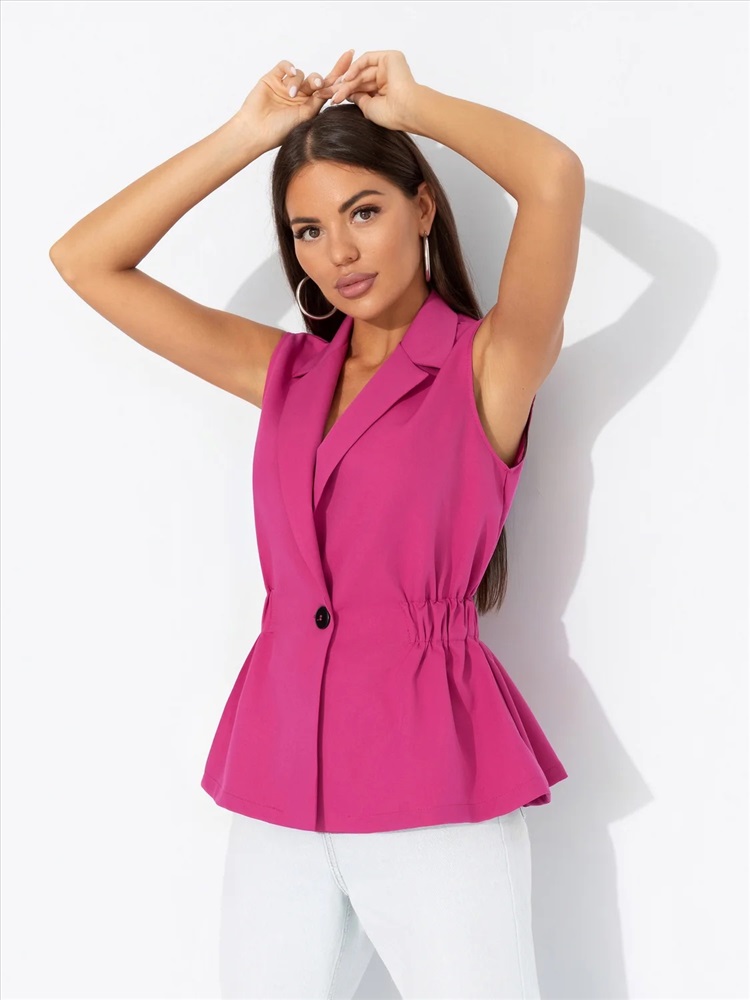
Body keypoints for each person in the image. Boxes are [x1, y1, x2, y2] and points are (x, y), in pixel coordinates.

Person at [50, 48, 584, 1000]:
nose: (337, 252)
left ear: (423, 207)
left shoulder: (487, 367)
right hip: (279, 783)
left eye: (363, 212)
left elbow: (552, 178)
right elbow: (85, 260)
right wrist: (248, 135)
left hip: (433, 780)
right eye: (307, 228)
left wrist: (418, 106)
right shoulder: (288, 374)